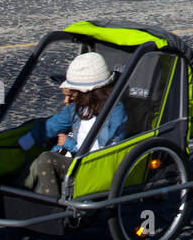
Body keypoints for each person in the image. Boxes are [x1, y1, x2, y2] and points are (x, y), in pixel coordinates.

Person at [17, 53, 128, 198]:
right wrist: (25, 141)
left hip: (93, 165)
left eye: (72, 94)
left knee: (46, 159)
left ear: (88, 92)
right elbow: (53, 125)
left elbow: (113, 144)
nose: (67, 101)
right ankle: (21, 197)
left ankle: (51, 206)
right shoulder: (76, 108)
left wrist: (70, 144)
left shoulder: (115, 110)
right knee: (35, 165)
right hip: (74, 159)